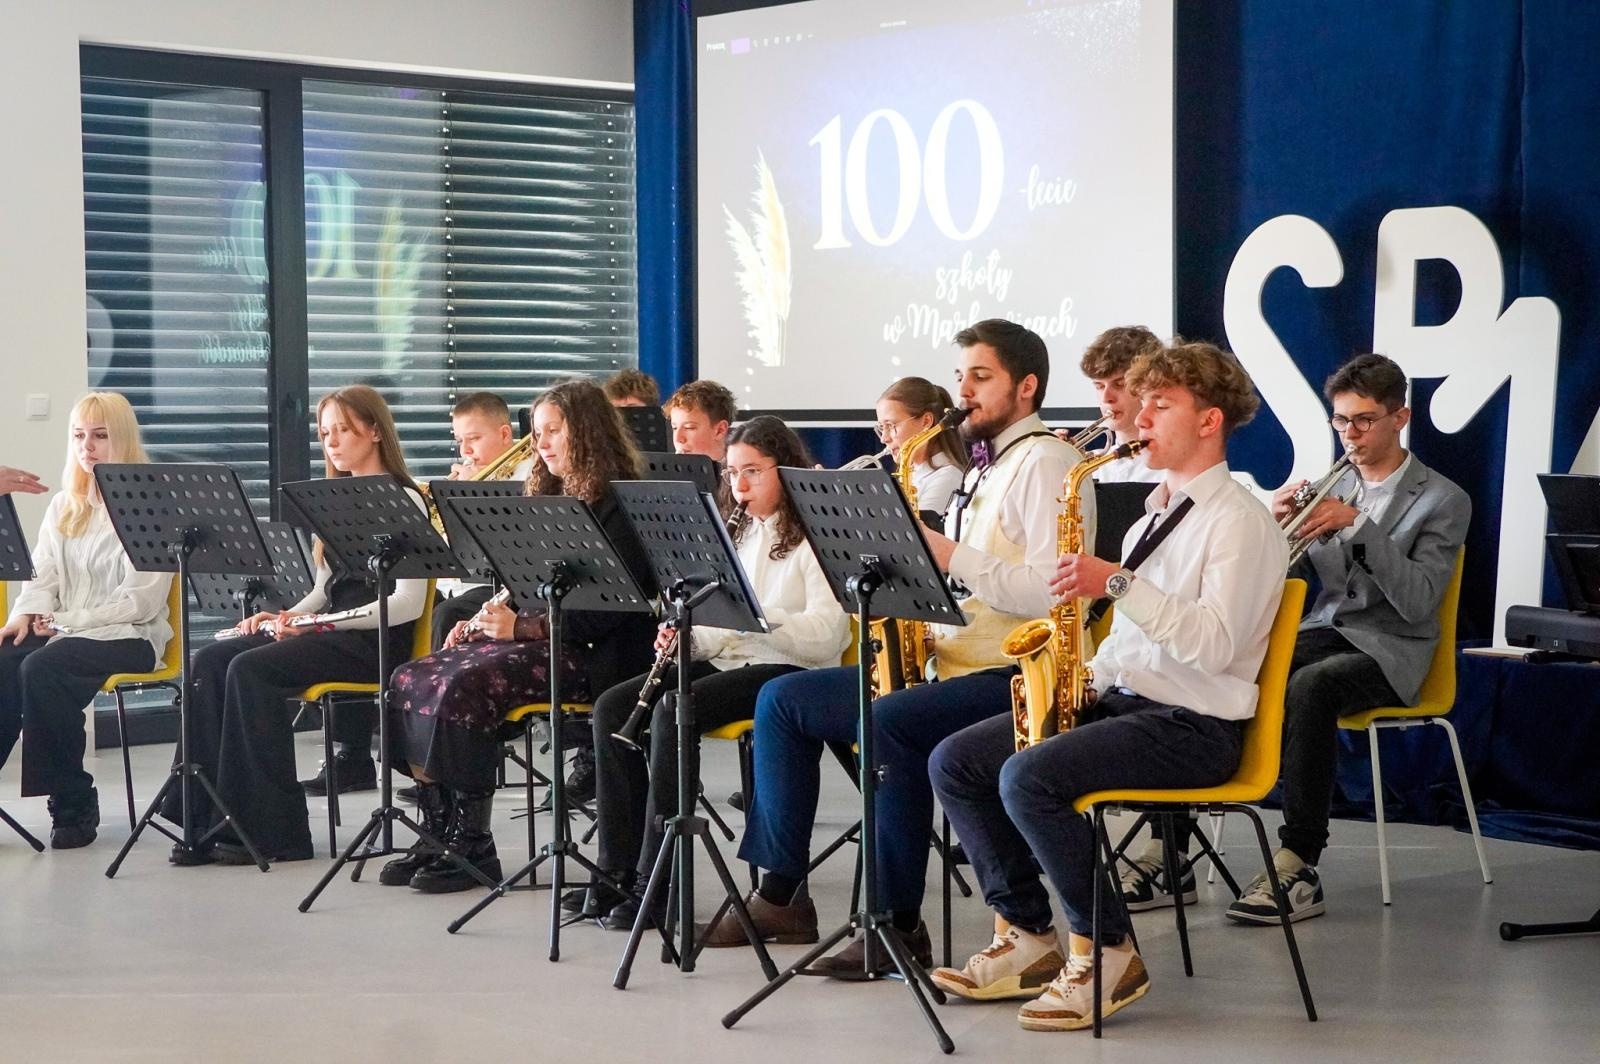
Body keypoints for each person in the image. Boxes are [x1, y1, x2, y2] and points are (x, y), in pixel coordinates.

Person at [704, 319, 1090, 975]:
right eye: (961, 374)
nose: (962, 390)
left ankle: (893, 925)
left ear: (1027, 387)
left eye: (981, 376)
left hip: (1015, 674)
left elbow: (1050, 594)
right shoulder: (985, 467)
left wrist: (945, 554)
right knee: (784, 700)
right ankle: (780, 894)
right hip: (953, 662)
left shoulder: (1047, 463)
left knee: (888, 725)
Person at [927, 340, 1286, 1032]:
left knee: (1029, 779)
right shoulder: (1156, 514)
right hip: (1131, 704)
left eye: (1161, 404)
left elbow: (1214, 647)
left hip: (1195, 726)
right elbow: (1130, 643)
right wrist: (1082, 679)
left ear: (1210, 421)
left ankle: (1110, 951)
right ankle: (1028, 937)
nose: (1138, 417)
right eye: (1139, 402)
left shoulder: (1241, 522)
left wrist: (1117, 582)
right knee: (957, 761)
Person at [1211, 352, 1467, 924]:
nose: (1349, 434)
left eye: (1364, 420)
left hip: (1391, 650)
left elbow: (1419, 601)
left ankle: (1298, 860)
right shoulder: (1336, 482)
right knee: (1219, 658)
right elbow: (1294, 584)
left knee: (1311, 687)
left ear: (1400, 418)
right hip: (1324, 632)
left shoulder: (1442, 499)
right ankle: (1172, 844)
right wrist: (1270, 529)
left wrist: (1357, 527)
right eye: (1341, 420)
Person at [382, 379, 657, 893]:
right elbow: (524, 579)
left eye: (554, 431)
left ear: (590, 433)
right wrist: (489, 613)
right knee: (410, 676)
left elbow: (607, 613)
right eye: (538, 433)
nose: (542, 444)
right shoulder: (548, 494)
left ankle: (474, 841)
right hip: (544, 640)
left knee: (463, 686)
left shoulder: (622, 506)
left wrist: (521, 626)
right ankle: (440, 827)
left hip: (597, 654)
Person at [582, 416, 850, 928]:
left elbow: (825, 637)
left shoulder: (816, 536)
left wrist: (754, 616)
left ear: (786, 470)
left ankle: (656, 885)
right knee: (613, 707)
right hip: (734, 658)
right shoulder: (742, 531)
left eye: (753, 471)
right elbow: (722, 628)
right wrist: (689, 633)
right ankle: (614, 870)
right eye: (732, 474)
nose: (740, 486)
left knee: (673, 710)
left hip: (789, 671)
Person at [166, 385, 429, 865]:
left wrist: (316, 624)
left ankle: (273, 832)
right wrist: (287, 614)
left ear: (374, 431)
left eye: (343, 430)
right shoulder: (335, 499)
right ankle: (205, 817)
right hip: (333, 630)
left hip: (372, 642)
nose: (331, 441)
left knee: (251, 671)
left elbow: (405, 604)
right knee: (211, 658)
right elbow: (326, 589)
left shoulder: (405, 499)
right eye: (325, 431)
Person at [0, 393, 172, 849]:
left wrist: (64, 622)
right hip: (67, 628)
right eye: (79, 436)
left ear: (123, 440)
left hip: (131, 635)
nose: (87, 447)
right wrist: (23, 615)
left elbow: (141, 601)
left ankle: (72, 800)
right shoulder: (65, 505)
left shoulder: (151, 504)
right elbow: (42, 574)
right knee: (5, 657)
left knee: (42, 669)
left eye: (100, 436)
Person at [1070, 325, 1165, 484]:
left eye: (1119, 385)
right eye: (1099, 386)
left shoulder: (1171, 469)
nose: (1106, 398)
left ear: (1149, 386)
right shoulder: (1088, 468)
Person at [872, 376, 969, 525]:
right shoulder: (913, 472)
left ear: (926, 422)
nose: (884, 438)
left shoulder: (948, 477)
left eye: (890, 425)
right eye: (881, 427)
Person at [665, 379, 737, 465]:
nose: (678, 439)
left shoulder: (740, 473)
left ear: (720, 430)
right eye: (674, 428)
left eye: (689, 427)